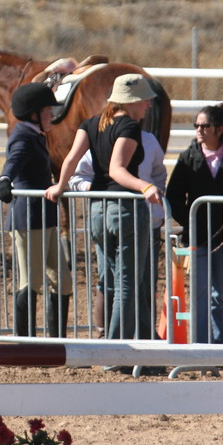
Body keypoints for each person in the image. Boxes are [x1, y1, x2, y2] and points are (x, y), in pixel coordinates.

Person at [45, 73, 161, 341]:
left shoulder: (90, 124)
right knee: (128, 285)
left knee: (114, 281)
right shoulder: (129, 127)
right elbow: (117, 170)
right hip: (125, 210)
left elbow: (72, 158)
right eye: (145, 101)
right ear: (131, 102)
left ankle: (143, 345)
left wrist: (60, 186)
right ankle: (118, 351)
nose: (148, 106)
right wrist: (145, 186)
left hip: (98, 212)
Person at [166, 103, 223, 344]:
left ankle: (217, 346)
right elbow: (174, 195)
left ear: (219, 129)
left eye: (204, 125)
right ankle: (198, 344)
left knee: (220, 294)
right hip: (196, 238)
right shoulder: (189, 156)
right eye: (196, 125)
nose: (198, 130)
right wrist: (190, 222)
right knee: (199, 293)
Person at [69, 130, 166, 339]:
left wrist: (158, 207)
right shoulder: (100, 139)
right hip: (110, 217)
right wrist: (98, 189)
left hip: (146, 221)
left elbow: (159, 174)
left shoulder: (149, 140)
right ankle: (107, 335)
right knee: (110, 279)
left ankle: (141, 336)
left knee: (143, 281)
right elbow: (77, 177)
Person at [0, 83, 73, 337]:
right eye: (47, 110)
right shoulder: (22, 136)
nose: (52, 114)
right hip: (28, 219)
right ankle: (25, 342)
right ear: (33, 114)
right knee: (30, 282)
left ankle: (57, 342)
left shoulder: (35, 135)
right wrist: (5, 179)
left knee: (62, 281)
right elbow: (14, 161)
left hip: (46, 217)